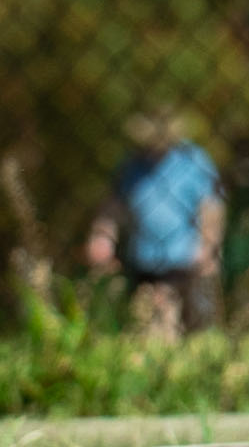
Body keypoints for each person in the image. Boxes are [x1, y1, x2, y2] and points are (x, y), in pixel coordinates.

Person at [83, 119, 224, 342]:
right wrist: (102, 237)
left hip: (183, 256)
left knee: (173, 316)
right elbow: (113, 205)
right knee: (149, 318)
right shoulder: (132, 164)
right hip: (143, 256)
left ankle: (168, 356)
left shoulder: (193, 161)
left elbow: (211, 206)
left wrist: (208, 246)